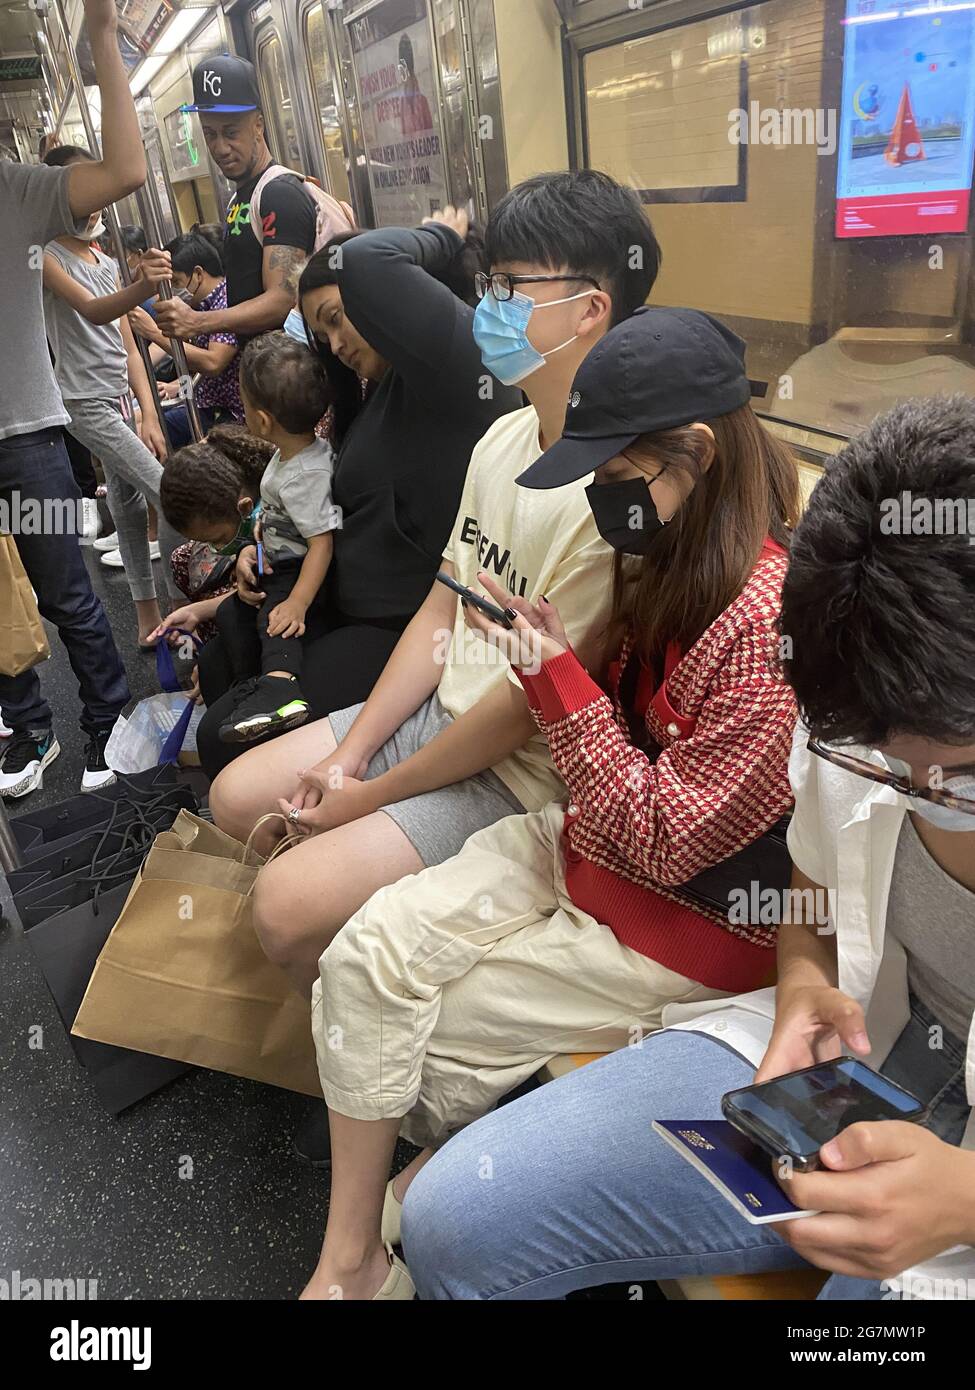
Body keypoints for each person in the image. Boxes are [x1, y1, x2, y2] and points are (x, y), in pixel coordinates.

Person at [401, 393, 975, 1303]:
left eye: (952, 781)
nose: (913, 796)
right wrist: (802, 984)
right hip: (857, 1058)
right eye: (871, 763)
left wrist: (966, 1202)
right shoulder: (832, 669)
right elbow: (811, 895)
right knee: (452, 1222)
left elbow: (662, 837)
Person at [297, 306, 802, 1301]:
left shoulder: (766, 628)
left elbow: (666, 842)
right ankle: (353, 1253)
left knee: (423, 1041)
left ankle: (430, 1203)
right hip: (579, 845)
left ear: (694, 454)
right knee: (358, 963)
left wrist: (558, 681)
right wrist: (554, 668)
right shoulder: (666, 553)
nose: (604, 503)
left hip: (680, 922)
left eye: (616, 481)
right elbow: (606, 771)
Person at [207, 173, 661, 1016]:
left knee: (282, 905)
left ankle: (379, 1038)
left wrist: (371, 794)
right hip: (437, 714)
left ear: (589, 310)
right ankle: (358, 976)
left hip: (515, 773)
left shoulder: (620, 493)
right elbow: (441, 607)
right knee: (234, 794)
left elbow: (528, 709)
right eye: (486, 283)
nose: (486, 308)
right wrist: (346, 756)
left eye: (508, 289)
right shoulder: (504, 437)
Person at [193, 209, 523, 779]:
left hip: (404, 623)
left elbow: (369, 262)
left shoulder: (453, 371)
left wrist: (441, 235)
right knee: (226, 634)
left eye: (339, 318)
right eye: (323, 334)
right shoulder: (375, 391)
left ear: (379, 300)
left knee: (221, 737)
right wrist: (263, 550)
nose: (336, 344)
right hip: (346, 599)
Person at [0, 0, 146, 799]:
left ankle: (108, 724)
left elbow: (124, 172)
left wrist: (98, 36)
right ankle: (27, 732)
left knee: (67, 596)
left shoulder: (16, 193)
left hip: (24, 437)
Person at [41, 145, 183, 642]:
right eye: (86, 190)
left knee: (126, 509)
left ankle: (148, 619)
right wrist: (144, 285)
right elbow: (97, 310)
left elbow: (127, 344)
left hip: (121, 397)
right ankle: (196, 605)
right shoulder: (44, 256)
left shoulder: (102, 256)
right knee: (168, 494)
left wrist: (147, 409)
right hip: (84, 401)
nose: (97, 202)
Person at [153, 55, 321, 348]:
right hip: (263, 369)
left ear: (258, 126)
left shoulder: (278, 194)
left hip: (292, 375)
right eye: (210, 134)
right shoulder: (239, 199)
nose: (220, 147)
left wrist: (199, 322)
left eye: (231, 132)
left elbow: (282, 299)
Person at [216, 332, 336, 740]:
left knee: (276, 622)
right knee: (231, 614)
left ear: (262, 420)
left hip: (297, 570)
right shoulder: (293, 457)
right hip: (276, 558)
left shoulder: (306, 475)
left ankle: (283, 689)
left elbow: (322, 543)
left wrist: (298, 603)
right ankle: (251, 686)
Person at [156, 424, 276, 698]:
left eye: (217, 538)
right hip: (247, 575)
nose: (216, 548)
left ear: (245, 507)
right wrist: (196, 612)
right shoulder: (239, 513)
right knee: (183, 560)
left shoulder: (272, 525)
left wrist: (202, 610)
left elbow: (261, 592)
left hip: (277, 605)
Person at [128, 228, 244, 448]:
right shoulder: (201, 305)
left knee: (143, 432)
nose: (173, 292)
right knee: (137, 419)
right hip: (203, 400)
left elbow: (213, 362)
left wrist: (153, 332)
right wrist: (177, 386)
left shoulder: (226, 301)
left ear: (198, 274)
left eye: (177, 283)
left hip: (226, 413)